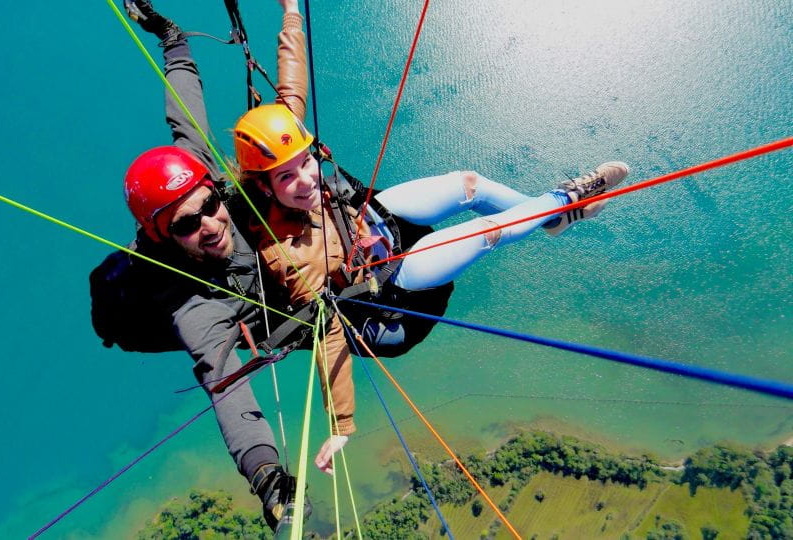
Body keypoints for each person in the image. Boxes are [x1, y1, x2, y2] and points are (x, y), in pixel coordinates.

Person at [231, 28, 630, 474]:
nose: (306, 180)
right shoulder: (287, 255)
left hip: (371, 221)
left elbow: (292, 88)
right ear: (264, 186)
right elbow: (328, 334)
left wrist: (290, 14)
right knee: (485, 233)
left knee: (468, 185)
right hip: (392, 290)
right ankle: (565, 197)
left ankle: (553, 218)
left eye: (306, 162)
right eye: (286, 177)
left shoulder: (288, 153)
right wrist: (342, 424)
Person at [89, 1, 310, 533]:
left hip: (269, 278)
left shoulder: (196, 175)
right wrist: (265, 474)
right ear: (162, 235)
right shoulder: (188, 304)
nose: (210, 224)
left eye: (210, 205)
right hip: (259, 313)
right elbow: (226, 383)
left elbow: (184, 107)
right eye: (188, 225)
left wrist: (172, 38)